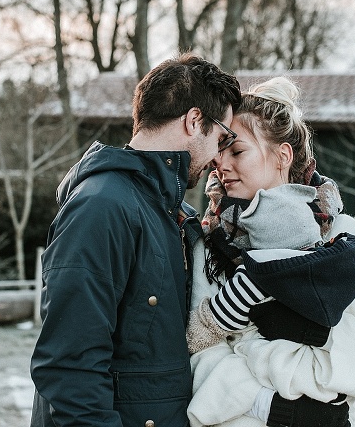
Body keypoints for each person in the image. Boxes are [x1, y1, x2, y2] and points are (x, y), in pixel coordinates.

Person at [29, 53, 242, 427]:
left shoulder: (176, 215)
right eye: (222, 138)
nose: (218, 157)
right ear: (194, 121)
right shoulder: (101, 207)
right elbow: (69, 365)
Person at [185, 77, 355, 427]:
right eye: (219, 154)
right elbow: (200, 353)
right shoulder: (212, 247)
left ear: (283, 156)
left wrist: (306, 335)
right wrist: (273, 407)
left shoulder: (341, 235)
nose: (221, 165)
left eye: (237, 151)